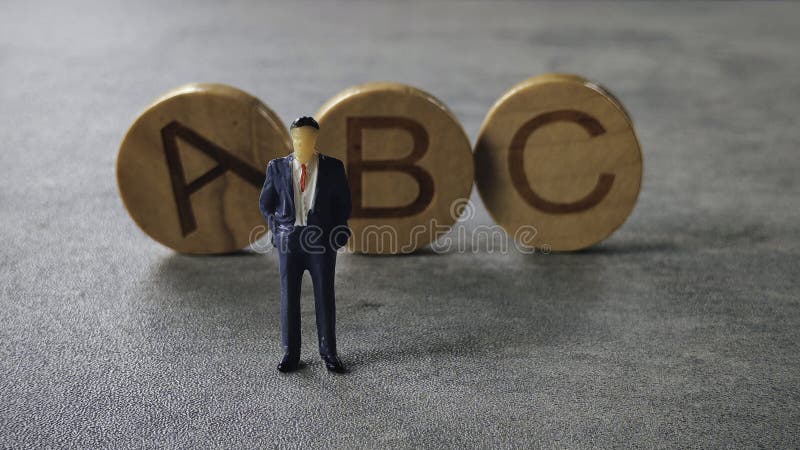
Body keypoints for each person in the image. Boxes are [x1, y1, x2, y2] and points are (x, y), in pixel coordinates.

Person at [258, 116, 352, 373]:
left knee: (325, 296)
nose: (303, 142)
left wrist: (338, 230)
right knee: (289, 296)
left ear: (315, 139)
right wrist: (276, 228)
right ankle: (291, 352)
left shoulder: (332, 167)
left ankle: (329, 352)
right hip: (289, 240)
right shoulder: (277, 168)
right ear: (292, 138)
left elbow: (343, 204)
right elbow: (266, 204)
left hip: (320, 241)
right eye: (298, 137)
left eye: (308, 137)